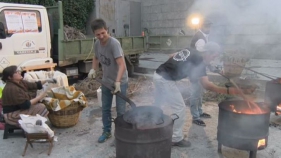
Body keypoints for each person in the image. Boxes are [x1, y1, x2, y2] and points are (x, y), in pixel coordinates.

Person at [153, 42, 255, 147]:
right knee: (180, 107)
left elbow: (172, 55)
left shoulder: (191, 50)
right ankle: (176, 138)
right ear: (208, 52)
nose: (213, 59)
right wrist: (233, 91)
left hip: (158, 74)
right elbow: (208, 86)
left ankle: (153, 124)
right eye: (214, 56)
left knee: (160, 101)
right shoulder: (199, 63)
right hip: (165, 80)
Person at [88, 19, 128, 143]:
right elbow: (95, 57)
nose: (101, 36)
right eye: (97, 34)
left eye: (103, 33)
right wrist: (93, 69)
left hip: (120, 81)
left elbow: (122, 65)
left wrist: (117, 82)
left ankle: (121, 135)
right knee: (105, 109)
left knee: (121, 111)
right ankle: (106, 131)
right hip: (106, 81)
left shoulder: (114, 44)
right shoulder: (97, 44)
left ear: (107, 30)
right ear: (94, 34)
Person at [190, 19, 215, 126]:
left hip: (199, 68)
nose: (208, 28)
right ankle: (195, 117)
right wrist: (209, 64)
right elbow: (201, 56)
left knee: (200, 92)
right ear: (202, 26)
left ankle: (199, 112)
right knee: (195, 93)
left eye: (209, 26)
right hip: (194, 69)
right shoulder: (200, 38)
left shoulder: (204, 36)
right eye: (206, 26)